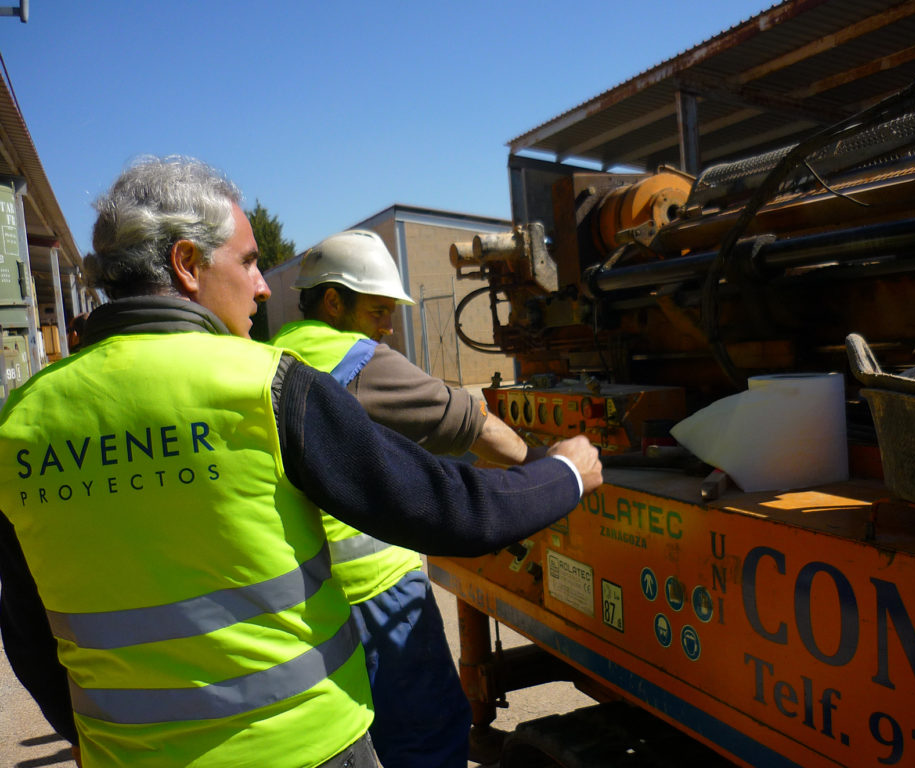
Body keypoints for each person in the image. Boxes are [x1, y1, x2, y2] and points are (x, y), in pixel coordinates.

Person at [0, 155, 602, 768]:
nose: (263, 287)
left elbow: (23, 627)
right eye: (249, 261)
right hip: (304, 748)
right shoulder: (260, 385)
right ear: (186, 264)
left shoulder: (20, 421)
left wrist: (84, 735)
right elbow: (445, 508)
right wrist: (564, 473)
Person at [271, 230, 541, 768]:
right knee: (430, 732)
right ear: (332, 301)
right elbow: (469, 422)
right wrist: (546, 468)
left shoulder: (271, 358)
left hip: (312, 603)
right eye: (377, 311)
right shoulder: (356, 358)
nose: (388, 326)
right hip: (380, 598)